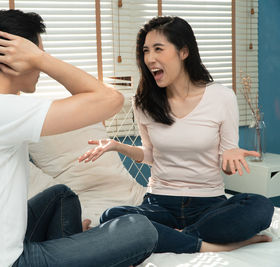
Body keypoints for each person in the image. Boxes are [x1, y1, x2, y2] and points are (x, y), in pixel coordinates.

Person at [0, 9, 159, 267]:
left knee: (61, 196)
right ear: (16, 59)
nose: (40, 65)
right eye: (36, 55)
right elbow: (111, 100)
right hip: (0, 262)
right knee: (141, 229)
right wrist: (42, 59)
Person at [79, 16, 274, 253]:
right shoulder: (143, 102)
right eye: (146, 51)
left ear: (183, 51)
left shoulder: (222, 97)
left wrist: (230, 155)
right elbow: (150, 155)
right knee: (113, 215)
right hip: (160, 203)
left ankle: (178, 237)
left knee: (260, 206)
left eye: (158, 49)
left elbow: (228, 167)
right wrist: (117, 146)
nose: (150, 59)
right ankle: (210, 244)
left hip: (208, 204)